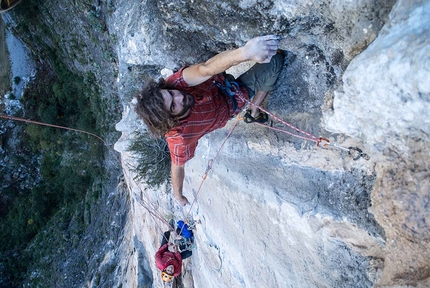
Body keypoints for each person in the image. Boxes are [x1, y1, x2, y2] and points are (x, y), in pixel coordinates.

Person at [135, 35, 284, 206]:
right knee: (276, 61)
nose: (179, 97)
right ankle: (253, 109)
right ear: (171, 120)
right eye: (173, 106)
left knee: (270, 57)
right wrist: (178, 196)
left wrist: (246, 52)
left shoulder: (174, 84)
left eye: (171, 94)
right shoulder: (180, 137)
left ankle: (253, 108)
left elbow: (204, 70)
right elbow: (177, 167)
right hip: (235, 99)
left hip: (221, 83)